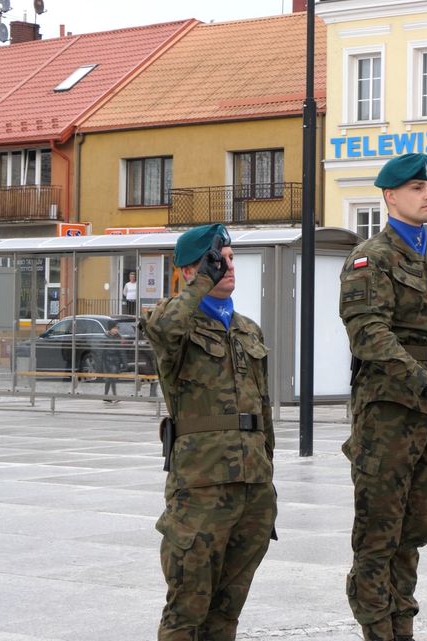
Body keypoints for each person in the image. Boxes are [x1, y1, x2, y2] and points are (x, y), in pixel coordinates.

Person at [339, 152, 427, 641]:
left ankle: (402, 626)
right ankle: (377, 629)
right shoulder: (372, 258)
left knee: (414, 534)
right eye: (416, 188)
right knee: (378, 535)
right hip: (390, 415)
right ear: (390, 196)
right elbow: (369, 334)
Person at [142, 223, 277, 641]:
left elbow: (263, 409)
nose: (227, 267)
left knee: (226, 613)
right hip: (200, 489)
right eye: (216, 260)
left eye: (231, 259)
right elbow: (163, 328)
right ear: (188, 272)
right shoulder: (173, 325)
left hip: (252, 486)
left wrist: (268, 478)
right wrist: (204, 279)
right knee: (187, 610)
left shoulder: (248, 329)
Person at [102, 320, 123, 403]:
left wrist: (123, 362)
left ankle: (105, 396)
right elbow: (102, 352)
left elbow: (121, 351)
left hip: (115, 361)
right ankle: (114, 396)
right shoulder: (106, 337)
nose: (116, 330)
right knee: (111, 379)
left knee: (109, 379)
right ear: (110, 329)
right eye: (114, 328)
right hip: (108, 361)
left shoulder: (118, 337)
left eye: (117, 328)